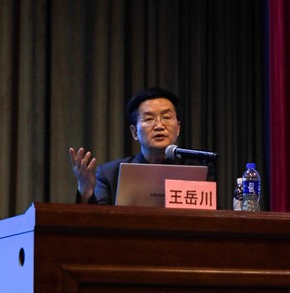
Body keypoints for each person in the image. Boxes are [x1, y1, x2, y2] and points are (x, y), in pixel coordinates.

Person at [69, 87, 210, 205]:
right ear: (134, 132)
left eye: (166, 117)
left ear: (178, 128)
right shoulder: (110, 174)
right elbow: (97, 221)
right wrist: (85, 190)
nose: (159, 126)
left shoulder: (196, 172)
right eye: (149, 118)